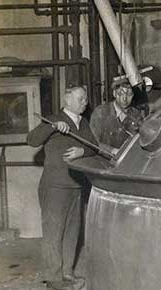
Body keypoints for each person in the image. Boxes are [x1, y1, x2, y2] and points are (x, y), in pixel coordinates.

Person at [27, 86, 97, 290]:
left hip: (76, 186)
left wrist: (81, 151)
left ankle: (67, 273)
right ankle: (53, 279)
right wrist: (52, 127)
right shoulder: (52, 119)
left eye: (85, 98)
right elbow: (31, 140)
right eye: (81, 98)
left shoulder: (83, 122)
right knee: (53, 233)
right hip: (55, 186)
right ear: (68, 100)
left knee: (71, 233)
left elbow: (94, 146)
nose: (85, 102)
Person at [90, 75, 144, 154]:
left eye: (129, 95)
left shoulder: (136, 114)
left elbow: (140, 141)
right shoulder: (100, 113)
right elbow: (93, 143)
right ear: (114, 93)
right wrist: (113, 151)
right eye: (121, 94)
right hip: (103, 161)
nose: (124, 98)